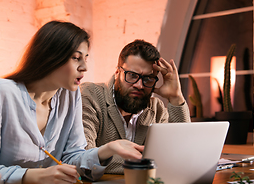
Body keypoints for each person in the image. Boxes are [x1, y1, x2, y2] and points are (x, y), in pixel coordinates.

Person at [0, 21, 144, 184]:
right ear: (51, 57)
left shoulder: (71, 95)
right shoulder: (0, 92)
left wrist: (107, 149)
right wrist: (34, 177)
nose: (84, 67)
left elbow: (73, 158)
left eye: (85, 58)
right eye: (76, 58)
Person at [81, 39, 191, 174]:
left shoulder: (157, 109)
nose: (139, 85)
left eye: (148, 78)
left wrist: (176, 97)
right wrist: (149, 162)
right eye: (132, 75)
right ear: (117, 72)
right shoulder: (90, 95)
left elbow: (181, 153)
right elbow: (84, 157)